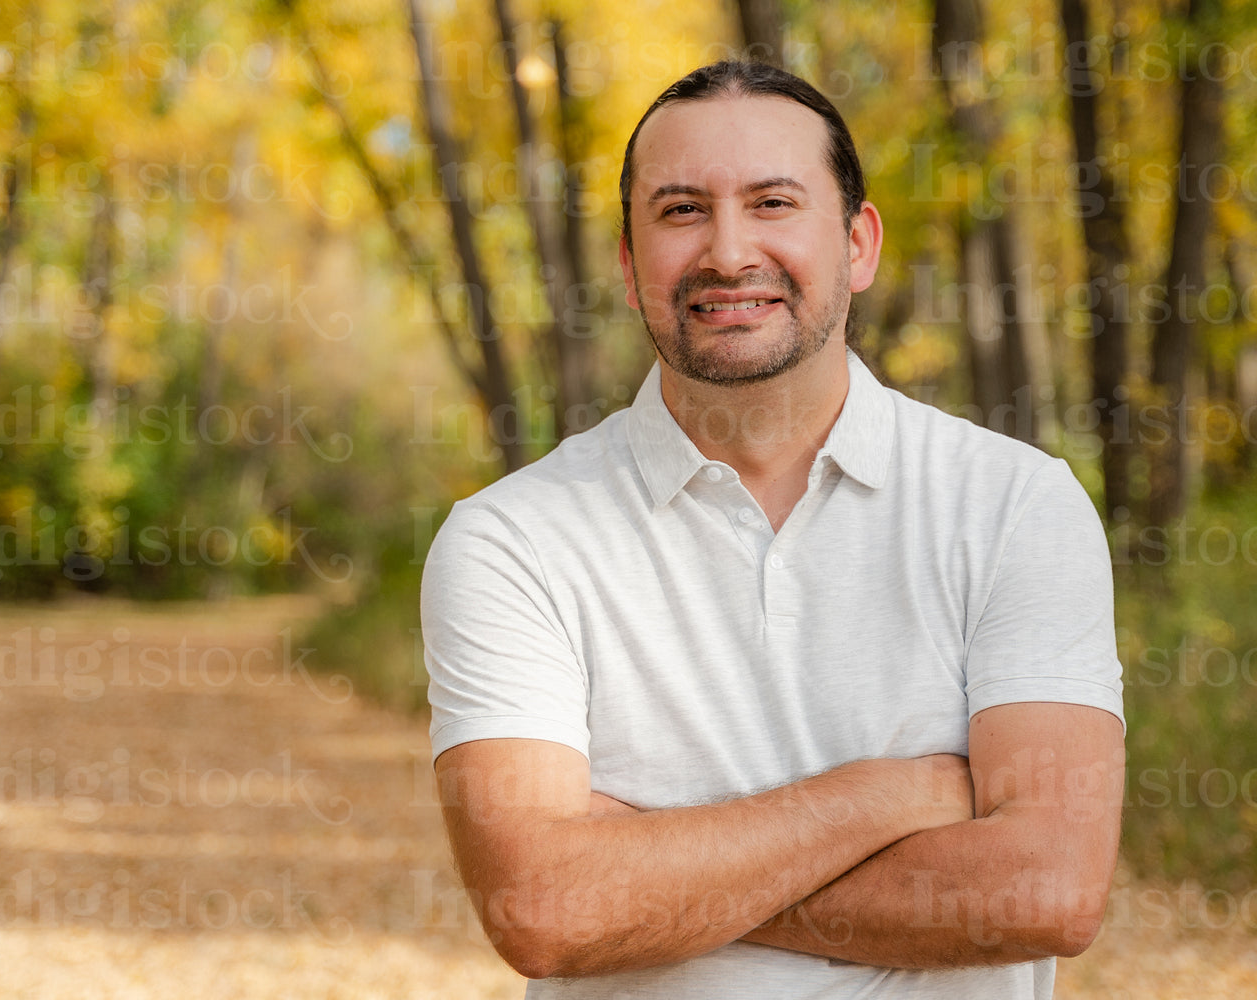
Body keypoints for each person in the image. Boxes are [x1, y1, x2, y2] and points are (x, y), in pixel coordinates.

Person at [421, 60, 1125, 999]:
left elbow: (1047, 893)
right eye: (680, 211)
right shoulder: (513, 540)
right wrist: (891, 796)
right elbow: (543, 912)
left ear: (858, 244)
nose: (728, 251)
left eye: (773, 203)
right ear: (630, 269)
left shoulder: (1015, 506)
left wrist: (638, 872)